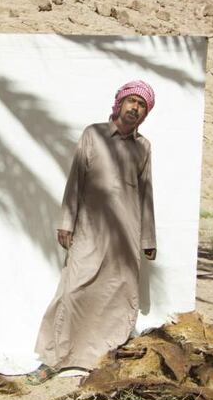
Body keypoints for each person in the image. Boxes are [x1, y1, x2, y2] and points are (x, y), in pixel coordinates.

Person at [29, 80, 157, 384]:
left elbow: (146, 194)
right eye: (132, 102)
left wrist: (148, 239)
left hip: (126, 236)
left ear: (145, 112)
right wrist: (67, 221)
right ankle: (53, 359)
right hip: (89, 230)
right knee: (72, 291)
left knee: (117, 295)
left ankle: (103, 358)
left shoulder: (143, 147)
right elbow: (75, 179)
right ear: (120, 103)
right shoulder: (93, 134)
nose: (135, 108)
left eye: (142, 105)